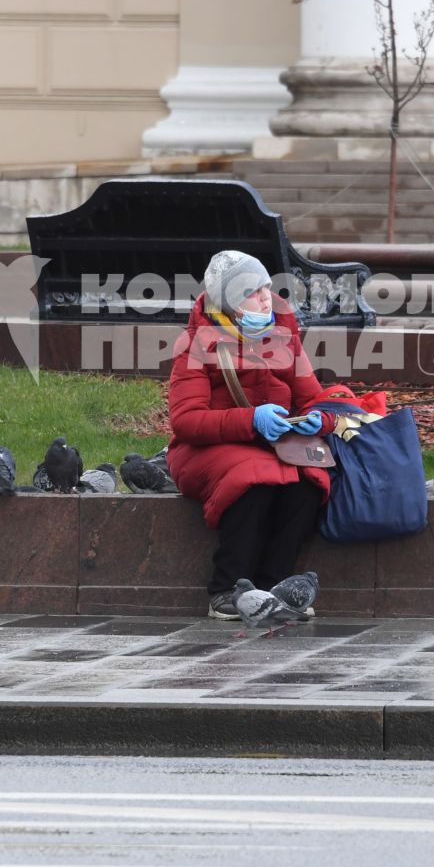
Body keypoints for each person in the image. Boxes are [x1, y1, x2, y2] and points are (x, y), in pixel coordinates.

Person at [165, 249, 340, 620]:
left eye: (265, 287)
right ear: (228, 302)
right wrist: (251, 420)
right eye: (252, 291)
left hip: (269, 445)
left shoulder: (284, 335)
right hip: (205, 449)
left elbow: (314, 398)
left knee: (307, 481)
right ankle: (226, 590)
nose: (265, 297)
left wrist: (317, 420)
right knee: (252, 477)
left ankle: (274, 587)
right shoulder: (197, 344)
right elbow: (187, 421)